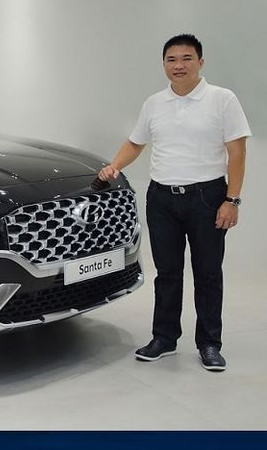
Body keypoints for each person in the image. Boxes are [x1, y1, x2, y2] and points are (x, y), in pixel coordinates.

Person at [98, 34, 251, 372]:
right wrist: (115, 166)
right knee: (167, 273)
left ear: (200, 62)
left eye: (186, 58)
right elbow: (135, 143)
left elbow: (237, 151)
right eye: (171, 59)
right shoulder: (155, 103)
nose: (178, 65)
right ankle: (164, 338)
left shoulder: (222, 99)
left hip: (207, 198)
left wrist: (232, 199)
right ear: (164, 64)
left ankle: (209, 343)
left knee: (207, 273)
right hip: (162, 199)